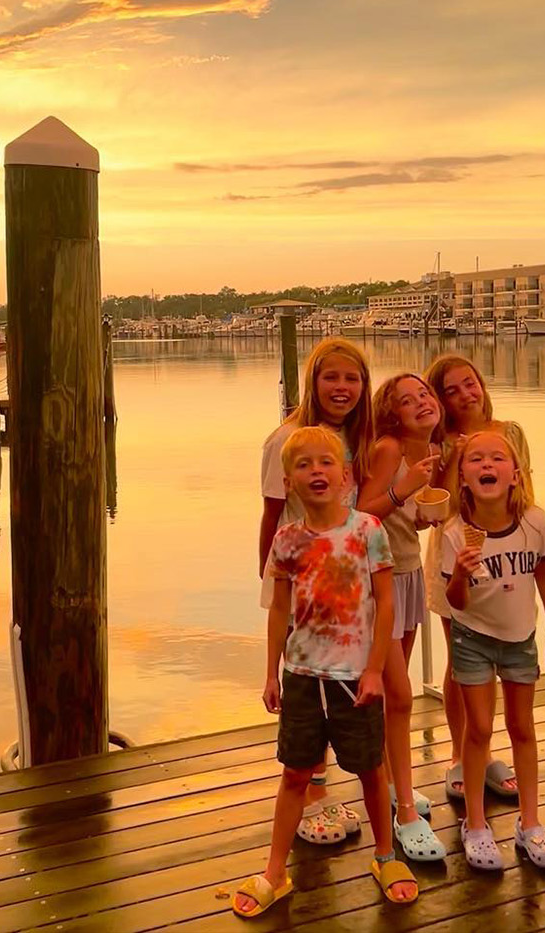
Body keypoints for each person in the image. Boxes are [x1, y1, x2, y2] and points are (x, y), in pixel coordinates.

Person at [233, 426, 418, 917]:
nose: (316, 471)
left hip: (355, 676)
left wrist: (376, 669)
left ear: (346, 476)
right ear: (289, 482)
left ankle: (385, 855)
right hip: (302, 675)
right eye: (304, 465)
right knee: (295, 772)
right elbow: (278, 611)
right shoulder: (287, 540)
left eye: (325, 463)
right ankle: (275, 870)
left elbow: (385, 604)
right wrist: (271, 673)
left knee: (369, 771)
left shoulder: (367, 532)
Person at [258, 337, 374, 844]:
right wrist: (266, 575)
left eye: (352, 379)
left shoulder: (356, 438)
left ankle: (323, 788)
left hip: (342, 579)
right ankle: (310, 796)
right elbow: (269, 513)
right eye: (332, 378)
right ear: (313, 381)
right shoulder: (287, 438)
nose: (342, 388)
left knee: (335, 680)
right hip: (295, 572)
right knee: (304, 686)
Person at [441, 429, 545, 872]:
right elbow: (455, 601)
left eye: (497, 459)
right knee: (478, 728)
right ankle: (475, 824)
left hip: (520, 636)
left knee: (523, 727)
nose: (487, 466)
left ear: (515, 475)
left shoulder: (533, 520)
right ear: (462, 476)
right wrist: (459, 574)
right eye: (476, 459)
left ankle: (529, 823)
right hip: (472, 636)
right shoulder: (455, 532)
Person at [423, 353, 532, 801]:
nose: (467, 394)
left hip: (508, 559)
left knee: (508, 657)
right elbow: (441, 507)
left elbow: (525, 490)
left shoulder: (511, 433)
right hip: (456, 558)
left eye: (471, 383)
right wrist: (456, 453)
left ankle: (486, 752)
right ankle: (459, 753)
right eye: (452, 389)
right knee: (461, 660)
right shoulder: (439, 444)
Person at [357, 373, 446, 861]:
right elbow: (360, 510)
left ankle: (391, 785)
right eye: (406, 400)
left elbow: (395, 516)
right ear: (391, 414)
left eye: (424, 395)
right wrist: (402, 492)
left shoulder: (423, 453)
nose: (420, 403)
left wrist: (417, 514)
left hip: (408, 571)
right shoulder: (390, 449)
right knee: (403, 696)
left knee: (396, 696)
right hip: (381, 582)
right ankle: (406, 813)